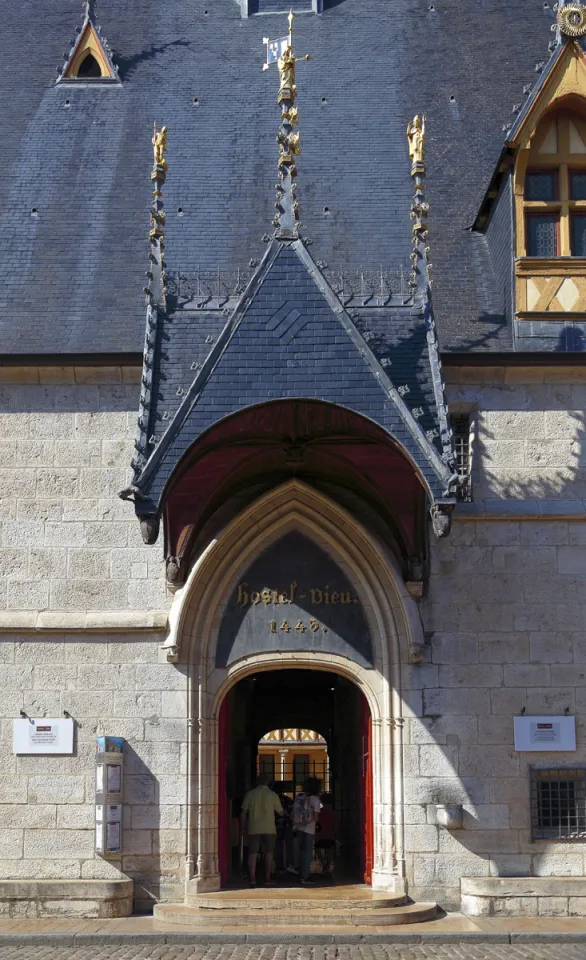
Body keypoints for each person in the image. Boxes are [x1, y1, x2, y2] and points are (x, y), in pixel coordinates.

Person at [240, 773, 283, 887]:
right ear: (269, 782)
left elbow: (243, 813)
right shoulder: (273, 795)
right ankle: (267, 878)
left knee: (253, 853)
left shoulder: (250, 794)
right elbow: (280, 812)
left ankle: (252, 878)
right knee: (269, 853)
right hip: (269, 828)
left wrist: (243, 827)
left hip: (254, 827)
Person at [292, 777, 321, 885]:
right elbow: (316, 817)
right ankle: (305, 876)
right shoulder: (315, 799)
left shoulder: (299, 796)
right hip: (309, 828)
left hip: (298, 826)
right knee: (308, 852)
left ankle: (300, 872)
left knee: (301, 851)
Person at [315, 792, 338, 880]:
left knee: (318, 850)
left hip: (320, 834)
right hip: (329, 834)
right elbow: (335, 825)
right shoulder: (333, 812)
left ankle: (324, 863)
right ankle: (327, 865)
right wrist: (335, 834)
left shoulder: (320, 811)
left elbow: (317, 823)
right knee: (329, 851)